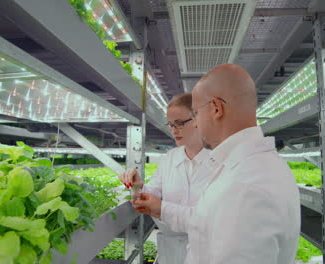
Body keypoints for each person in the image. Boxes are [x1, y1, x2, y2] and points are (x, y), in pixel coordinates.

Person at [134, 64, 301, 264]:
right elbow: (203, 222)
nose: (195, 123)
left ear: (216, 108)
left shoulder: (244, 184)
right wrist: (158, 206)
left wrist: (161, 208)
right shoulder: (247, 167)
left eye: (195, 113)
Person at [119, 93, 212, 264]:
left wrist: (162, 208)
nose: (174, 130)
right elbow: (153, 192)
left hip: (207, 253)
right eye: (170, 124)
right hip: (170, 254)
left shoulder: (219, 161)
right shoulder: (169, 158)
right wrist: (139, 187)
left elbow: (214, 219)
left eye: (180, 123)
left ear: (199, 119)